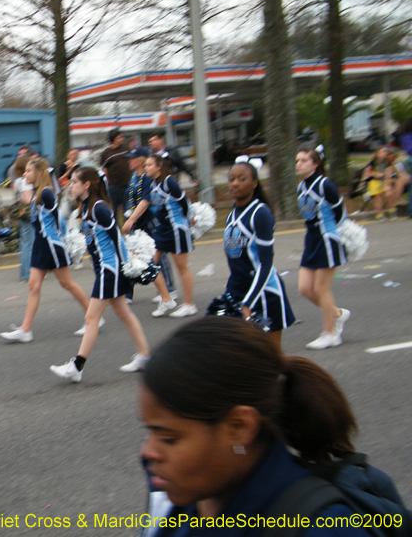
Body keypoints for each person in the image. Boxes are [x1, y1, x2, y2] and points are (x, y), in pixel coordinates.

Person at [140, 316, 374, 537]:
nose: (148, 452)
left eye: (169, 438)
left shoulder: (319, 528)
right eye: (150, 431)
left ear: (239, 427)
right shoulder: (187, 493)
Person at [50, 167, 150, 383]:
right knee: (124, 313)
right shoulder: (86, 207)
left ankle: (77, 366)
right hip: (103, 268)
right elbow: (91, 238)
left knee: (91, 317)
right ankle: (144, 355)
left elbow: (117, 237)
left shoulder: (99, 208)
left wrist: (129, 266)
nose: (71, 185)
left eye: (75, 181)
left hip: (110, 269)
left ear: (87, 184)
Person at [0, 158, 90, 342]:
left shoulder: (47, 194)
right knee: (33, 286)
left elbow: (60, 220)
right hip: (40, 244)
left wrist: (66, 240)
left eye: (28, 171)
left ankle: (93, 318)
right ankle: (25, 330)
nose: (24, 174)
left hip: (51, 244)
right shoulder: (36, 192)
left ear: (39, 173)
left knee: (67, 284)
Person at [223, 157, 295, 351]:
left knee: (271, 360)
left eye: (242, 178)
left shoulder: (260, 214)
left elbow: (265, 264)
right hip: (238, 292)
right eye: (231, 179)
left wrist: (248, 303)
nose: (235, 183)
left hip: (263, 295)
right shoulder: (232, 215)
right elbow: (236, 262)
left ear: (254, 183)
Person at [296, 145, 349, 350]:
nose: (298, 164)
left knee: (320, 289)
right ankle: (337, 314)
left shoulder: (325, 184)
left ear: (315, 164)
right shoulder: (301, 187)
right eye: (297, 161)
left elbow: (339, 212)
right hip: (311, 240)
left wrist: (333, 232)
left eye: (303, 160)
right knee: (304, 289)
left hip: (327, 239)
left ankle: (330, 333)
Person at [121, 146, 177, 303]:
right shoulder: (134, 176)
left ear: (141, 161)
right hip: (135, 222)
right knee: (131, 254)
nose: (129, 161)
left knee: (157, 255)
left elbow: (146, 200)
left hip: (149, 221)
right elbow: (129, 198)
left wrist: (131, 218)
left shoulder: (147, 177)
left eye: (132, 158)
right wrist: (128, 217)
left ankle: (169, 289)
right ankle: (128, 293)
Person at [144, 153, 196, 318]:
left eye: (149, 164)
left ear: (159, 166)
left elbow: (183, 202)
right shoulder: (153, 184)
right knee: (149, 263)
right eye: (146, 165)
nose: (146, 168)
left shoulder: (169, 182)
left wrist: (188, 221)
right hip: (162, 229)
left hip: (176, 228)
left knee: (182, 267)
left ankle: (189, 304)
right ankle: (167, 299)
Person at [12, 155, 35, 282]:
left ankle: (24, 272)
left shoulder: (17, 181)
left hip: (22, 215)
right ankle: (28, 273)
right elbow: (27, 199)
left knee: (25, 243)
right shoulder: (25, 182)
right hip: (28, 214)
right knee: (29, 244)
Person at [100, 129, 132, 217]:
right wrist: (108, 181)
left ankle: (129, 228)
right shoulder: (106, 153)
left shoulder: (126, 149)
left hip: (127, 184)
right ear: (113, 139)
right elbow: (104, 168)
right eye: (119, 137)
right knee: (113, 210)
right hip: (114, 186)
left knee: (128, 209)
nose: (122, 139)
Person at [360, 146, 389, 220]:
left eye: (385, 151)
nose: (384, 153)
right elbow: (367, 172)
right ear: (377, 154)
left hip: (381, 181)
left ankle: (391, 209)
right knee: (378, 196)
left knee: (388, 191)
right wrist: (376, 174)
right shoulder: (373, 162)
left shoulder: (385, 163)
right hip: (372, 181)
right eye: (382, 152)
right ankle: (379, 214)